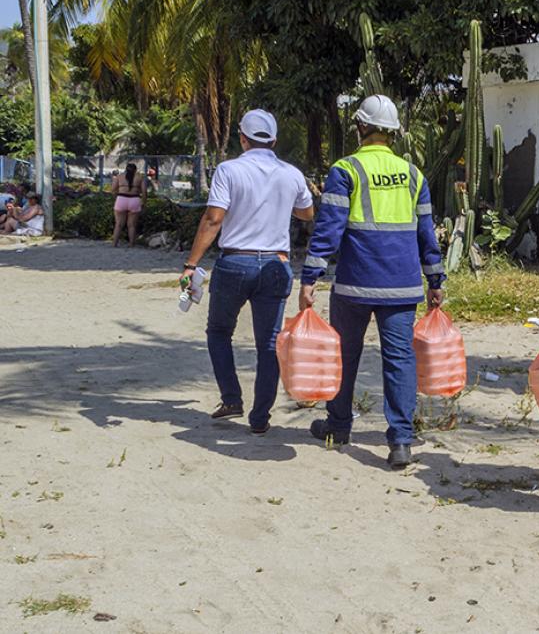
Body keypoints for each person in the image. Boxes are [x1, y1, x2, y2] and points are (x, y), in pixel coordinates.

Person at [298, 94, 446, 470]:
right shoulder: (414, 175)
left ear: (361, 126)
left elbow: (328, 229)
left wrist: (310, 276)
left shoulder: (346, 170)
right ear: (393, 131)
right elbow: (426, 234)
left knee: (345, 355)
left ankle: (338, 426)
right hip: (402, 285)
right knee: (399, 360)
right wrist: (435, 279)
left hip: (356, 284)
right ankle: (401, 441)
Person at [178, 109, 314, 434]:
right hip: (276, 265)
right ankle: (260, 418)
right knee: (269, 343)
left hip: (235, 263)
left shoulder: (229, 170)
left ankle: (231, 398)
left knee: (218, 331)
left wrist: (191, 264)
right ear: (274, 141)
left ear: (242, 139)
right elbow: (307, 213)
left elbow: (213, 219)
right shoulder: (291, 173)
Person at [112, 162, 147, 247]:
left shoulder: (119, 177)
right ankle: (131, 244)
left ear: (126, 169)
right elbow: (144, 192)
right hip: (134, 199)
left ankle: (114, 244)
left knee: (118, 224)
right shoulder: (140, 178)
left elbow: (113, 189)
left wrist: (116, 198)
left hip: (121, 199)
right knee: (132, 225)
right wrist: (143, 202)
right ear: (135, 170)